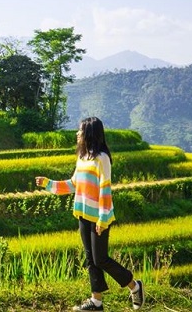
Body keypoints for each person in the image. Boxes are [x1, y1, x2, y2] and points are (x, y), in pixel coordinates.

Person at [35, 117, 144, 311]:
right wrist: (48, 183)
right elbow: (73, 184)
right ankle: (96, 301)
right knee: (90, 259)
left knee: (101, 259)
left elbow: (105, 189)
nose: (77, 134)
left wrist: (102, 219)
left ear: (89, 134)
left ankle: (134, 286)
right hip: (83, 215)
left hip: (99, 218)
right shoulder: (82, 158)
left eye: (80, 131)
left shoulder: (102, 159)